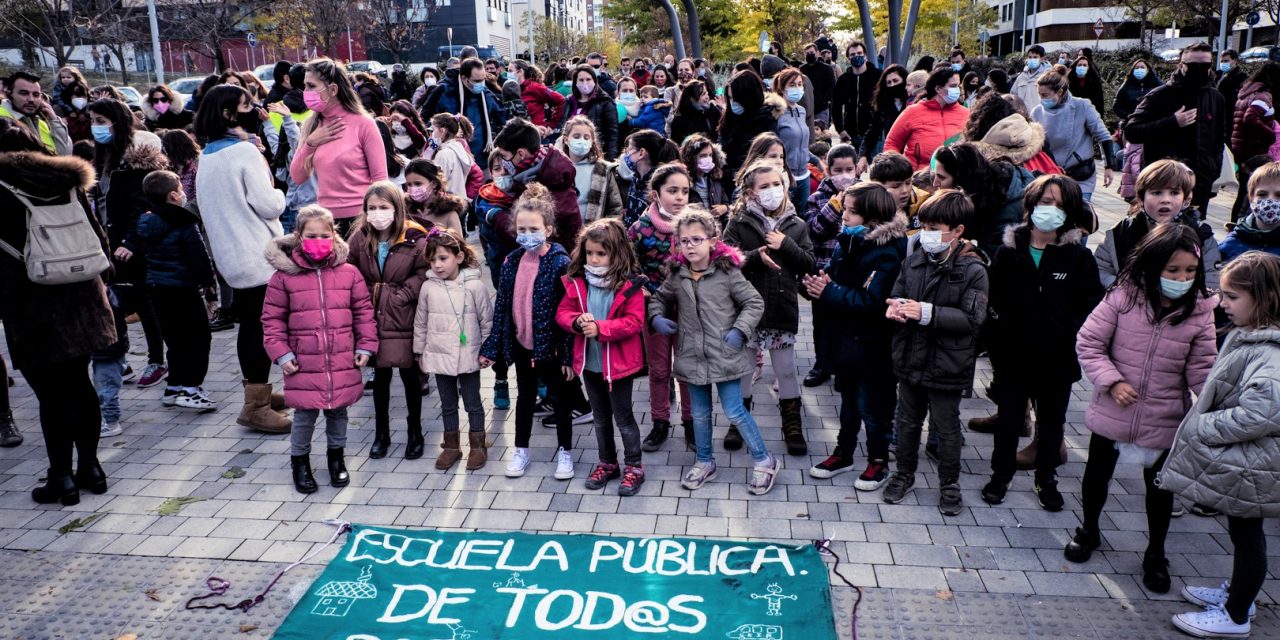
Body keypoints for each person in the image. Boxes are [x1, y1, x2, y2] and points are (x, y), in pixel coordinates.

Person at [1065, 223, 1217, 594]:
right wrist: (1111, 381)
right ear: (1151, 266)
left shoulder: (1199, 311)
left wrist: (1217, 411)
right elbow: (1089, 343)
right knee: (1098, 473)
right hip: (1112, 408)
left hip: (1165, 415)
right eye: (1173, 270)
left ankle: (1156, 553)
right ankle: (1088, 529)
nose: (1182, 278)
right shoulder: (1123, 296)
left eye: (1190, 271)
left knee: (1162, 488)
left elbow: (1203, 371)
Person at [1159, 252, 1280, 639]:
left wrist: (1203, 423)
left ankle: (1236, 614)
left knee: (1248, 536)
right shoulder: (1255, 336)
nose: (1223, 303)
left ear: (1263, 298)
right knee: (1244, 533)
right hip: (1252, 465)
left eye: (1231, 296)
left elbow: (1259, 414)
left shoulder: (1271, 352)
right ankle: (1240, 595)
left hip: (1257, 465)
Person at [0, 119, 115, 505]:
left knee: (51, 395)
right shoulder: (67, 180)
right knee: (80, 386)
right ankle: (91, 468)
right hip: (83, 296)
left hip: (30, 304)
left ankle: (61, 478)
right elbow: (99, 237)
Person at [981, 175, 1104, 510]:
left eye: (1060, 205)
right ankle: (1000, 474)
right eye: (1045, 202)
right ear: (1031, 205)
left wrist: (1067, 336)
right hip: (1012, 356)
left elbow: (1091, 306)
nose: (1050, 210)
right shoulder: (1008, 252)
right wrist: (995, 338)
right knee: (1008, 419)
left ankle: (1045, 477)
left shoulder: (1078, 258)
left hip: (1056, 359)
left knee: (1052, 423)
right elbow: (992, 299)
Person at [649, 207, 779, 494]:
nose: (690, 246)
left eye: (697, 239)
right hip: (690, 357)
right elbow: (659, 299)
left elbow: (754, 303)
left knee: (734, 410)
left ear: (712, 240)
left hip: (725, 354)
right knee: (699, 414)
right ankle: (705, 461)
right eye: (684, 241)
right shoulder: (677, 274)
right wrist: (656, 317)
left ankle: (764, 460)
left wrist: (740, 331)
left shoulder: (727, 272)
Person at [881, 190, 989, 516]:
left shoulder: (973, 270)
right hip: (911, 358)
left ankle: (949, 484)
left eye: (935, 226)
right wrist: (896, 309)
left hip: (948, 364)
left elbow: (973, 319)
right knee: (907, 422)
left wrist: (926, 313)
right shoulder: (913, 261)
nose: (926, 233)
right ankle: (903, 474)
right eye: (923, 225)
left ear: (957, 231)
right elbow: (898, 294)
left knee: (946, 427)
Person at [194, 85, 290, 433]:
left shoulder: (207, 154)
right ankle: (256, 405)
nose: (255, 107)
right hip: (256, 253)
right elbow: (268, 204)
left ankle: (259, 391)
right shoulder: (244, 153)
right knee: (261, 327)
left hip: (230, 254)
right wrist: (280, 192)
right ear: (229, 114)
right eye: (247, 104)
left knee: (251, 324)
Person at [263, 205, 377, 493]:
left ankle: (336, 459)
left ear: (334, 235)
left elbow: (363, 312)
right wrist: (282, 353)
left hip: (341, 357)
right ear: (299, 236)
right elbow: (272, 319)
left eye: (324, 235)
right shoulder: (283, 277)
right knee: (304, 414)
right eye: (311, 235)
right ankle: (299, 462)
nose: (318, 240)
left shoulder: (348, 273)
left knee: (338, 411)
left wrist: (365, 344)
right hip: (304, 360)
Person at [804, 182, 908, 488]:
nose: (844, 216)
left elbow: (872, 302)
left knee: (871, 406)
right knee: (848, 402)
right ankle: (844, 453)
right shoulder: (847, 242)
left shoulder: (887, 253)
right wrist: (818, 286)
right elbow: (839, 285)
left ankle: (878, 461)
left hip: (872, 346)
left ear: (873, 218)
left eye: (852, 211)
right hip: (845, 342)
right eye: (845, 209)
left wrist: (831, 291)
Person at [481, 184, 581, 479]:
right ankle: (521, 449)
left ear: (549, 229)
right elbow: (502, 309)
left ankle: (565, 452)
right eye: (521, 229)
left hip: (550, 349)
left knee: (561, 401)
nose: (527, 234)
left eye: (534, 228)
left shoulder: (561, 263)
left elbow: (567, 315)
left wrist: (566, 357)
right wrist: (491, 349)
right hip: (523, 347)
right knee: (524, 398)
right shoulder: (511, 261)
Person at [724, 160, 816, 455]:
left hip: (781, 308)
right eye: (765, 186)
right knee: (744, 370)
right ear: (751, 193)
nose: (773, 191)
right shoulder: (738, 222)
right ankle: (738, 421)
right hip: (747, 310)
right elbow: (725, 259)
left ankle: (791, 425)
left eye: (777, 184)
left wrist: (785, 244)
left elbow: (809, 263)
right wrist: (754, 257)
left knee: (786, 370)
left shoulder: (796, 225)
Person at [557, 218, 648, 495]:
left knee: (623, 417)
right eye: (589, 253)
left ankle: (634, 465)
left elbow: (634, 322)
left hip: (618, 366)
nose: (594, 259)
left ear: (616, 253)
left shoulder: (629, 285)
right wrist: (575, 321)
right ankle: (607, 462)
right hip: (590, 364)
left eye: (601, 253)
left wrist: (601, 328)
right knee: (599, 417)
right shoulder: (578, 282)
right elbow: (562, 313)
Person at [89, 98, 170, 390]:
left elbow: (141, 207)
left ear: (118, 122)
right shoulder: (106, 157)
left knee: (144, 302)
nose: (95, 127)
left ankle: (157, 360)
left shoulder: (135, 160)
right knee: (115, 300)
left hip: (132, 243)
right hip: (109, 240)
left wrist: (130, 241)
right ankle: (121, 360)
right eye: (93, 121)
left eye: (101, 121)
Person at [347, 181, 430, 460]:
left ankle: (414, 431)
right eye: (372, 208)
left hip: (403, 315)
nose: (377, 212)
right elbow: (351, 271)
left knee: (409, 376)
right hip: (372, 317)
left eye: (383, 207)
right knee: (380, 378)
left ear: (397, 208)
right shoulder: (360, 238)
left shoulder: (414, 238)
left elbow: (424, 271)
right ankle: (381, 432)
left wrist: (403, 294)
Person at [135, 170, 217, 411]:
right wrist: (209, 286)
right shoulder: (184, 220)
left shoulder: (146, 221)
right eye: (181, 190)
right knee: (199, 337)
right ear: (173, 195)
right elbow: (199, 257)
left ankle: (173, 386)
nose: (183, 194)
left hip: (157, 288)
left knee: (175, 339)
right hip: (183, 288)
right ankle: (191, 388)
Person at [414, 227, 493, 471]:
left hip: (468, 354)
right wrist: (420, 351)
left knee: (473, 402)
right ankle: (451, 446)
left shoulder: (475, 287)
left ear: (458, 257)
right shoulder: (428, 287)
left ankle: (477, 445)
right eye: (433, 259)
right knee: (447, 404)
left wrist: (487, 350)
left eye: (443, 258)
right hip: (439, 354)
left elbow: (486, 320)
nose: (437, 265)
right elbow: (421, 320)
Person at [630, 163, 696, 451]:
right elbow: (627, 265)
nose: (680, 197)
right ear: (656, 193)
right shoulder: (640, 228)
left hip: (690, 308)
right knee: (658, 370)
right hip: (654, 309)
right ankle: (660, 422)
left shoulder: (696, 224)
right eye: (672, 191)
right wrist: (641, 288)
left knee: (687, 369)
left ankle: (692, 423)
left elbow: (713, 258)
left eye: (684, 190)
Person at [288, 59, 388, 238]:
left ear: (333, 90)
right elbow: (297, 176)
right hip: (327, 222)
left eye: (311, 86)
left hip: (361, 220)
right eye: (305, 86)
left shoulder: (363, 124)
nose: (306, 92)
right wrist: (311, 143)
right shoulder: (311, 125)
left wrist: (378, 222)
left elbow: (381, 180)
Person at [1124, 42, 1226, 217]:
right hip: (1163, 183)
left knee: (1192, 235)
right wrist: (1172, 122)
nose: (1199, 69)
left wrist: (1212, 169)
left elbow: (1220, 138)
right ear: (1181, 65)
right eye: (1193, 65)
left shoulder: (1215, 97)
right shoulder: (1160, 95)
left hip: (1200, 183)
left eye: (1205, 65)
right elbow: (1132, 131)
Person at [1096, 159, 1222, 289]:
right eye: (1156, 192)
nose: (1165, 200)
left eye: (1174, 193)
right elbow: (1101, 268)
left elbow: (1212, 280)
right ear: (1140, 198)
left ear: (1186, 200)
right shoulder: (1121, 232)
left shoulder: (1200, 235)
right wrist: (1124, 290)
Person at [493, 118, 584, 247]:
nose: (503, 162)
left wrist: (496, 216)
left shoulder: (554, 182)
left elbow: (530, 235)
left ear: (521, 154)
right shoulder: (527, 175)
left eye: (505, 156)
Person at [1031, 65, 1114, 200]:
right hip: (1048, 174)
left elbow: (1103, 136)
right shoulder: (1036, 112)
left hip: (1079, 174)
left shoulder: (1082, 106)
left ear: (1059, 92)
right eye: (1039, 94)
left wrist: (1109, 166)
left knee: (1079, 215)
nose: (1041, 99)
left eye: (1045, 95)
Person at [884, 67, 969, 170]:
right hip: (919, 179)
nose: (958, 90)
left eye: (958, 86)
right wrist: (898, 171)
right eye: (953, 86)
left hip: (956, 178)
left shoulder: (966, 114)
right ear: (938, 89)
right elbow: (892, 143)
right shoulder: (912, 112)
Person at [423, 58, 507, 163]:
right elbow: (424, 119)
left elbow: (503, 119)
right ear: (464, 79)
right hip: (452, 158)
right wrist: (438, 134)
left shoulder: (486, 95)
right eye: (477, 81)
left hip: (482, 158)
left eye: (483, 80)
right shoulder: (443, 92)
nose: (481, 84)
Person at [1228, 63, 1280, 222]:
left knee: (1245, 189)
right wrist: (1270, 135)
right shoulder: (1263, 96)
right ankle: (1241, 224)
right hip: (1254, 149)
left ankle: (1235, 223)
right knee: (1251, 191)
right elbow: (1250, 118)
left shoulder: (1247, 92)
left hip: (1241, 147)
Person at [557, 115, 623, 222]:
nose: (581, 141)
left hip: (592, 235)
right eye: (576, 136)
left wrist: (604, 232)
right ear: (566, 139)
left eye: (586, 137)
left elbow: (615, 208)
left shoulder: (603, 170)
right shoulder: (555, 168)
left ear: (592, 142)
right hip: (560, 234)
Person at [721, 70, 782, 179]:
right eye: (730, 98)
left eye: (736, 99)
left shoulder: (765, 123)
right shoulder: (730, 117)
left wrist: (725, 173)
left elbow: (761, 164)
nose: (733, 103)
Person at [771, 68, 815, 211]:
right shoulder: (775, 113)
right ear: (782, 88)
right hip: (785, 177)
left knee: (804, 216)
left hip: (804, 175)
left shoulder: (801, 111)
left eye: (800, 84)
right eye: (792, 84)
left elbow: (803, 146)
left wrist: (818, 162)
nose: (797, 88)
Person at [618, 129, 681, 227]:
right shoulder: (636, 178)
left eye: (629, 149)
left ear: (641, 153)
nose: (626, 154)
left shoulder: (659, 183)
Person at [1, 70, 72, 155]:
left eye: (36, 94)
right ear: (10, 94)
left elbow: (64, 156)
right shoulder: (3, 120)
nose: (31, 99)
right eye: (24, 93)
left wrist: (55, 121)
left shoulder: (43, 124)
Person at [1222, 162, 1280, 262]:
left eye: (1279, 195)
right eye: (1262, 194)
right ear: (1251, 198)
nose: (1270, 200)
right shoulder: (1232, 243)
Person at [856, 64, 908, 173]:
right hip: (894, 156)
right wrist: (863, 155)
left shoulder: (913, 103)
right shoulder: (884, 106)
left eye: (895, 80)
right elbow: (872, 132)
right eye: (889, 82)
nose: (892, 85)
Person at [561, 64, 619, 160]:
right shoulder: (569, 102)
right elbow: (563, 127)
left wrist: (610, 159)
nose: (585, 83)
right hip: (570, 156)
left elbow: (612, 134)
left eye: (588, 79)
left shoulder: (605, 102)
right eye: (581, 80)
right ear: (575, 82)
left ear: (594, 81)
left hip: (596, 156)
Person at [833, 41, 882, 151]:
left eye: (859, 53)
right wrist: (840, 129)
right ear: (848, 58)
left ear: (865, 55)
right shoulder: (843, 80)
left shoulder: (878, 76)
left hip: (874, 134)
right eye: (853, 54)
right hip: (851, 134)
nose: (856, 56)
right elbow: (836, 106)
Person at [402, 159, 465, 234]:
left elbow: (458, 243)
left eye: (418, 184)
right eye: (409, 184)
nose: (413, 188)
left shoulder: (448, 212)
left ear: (433, 184)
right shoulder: (405, 211)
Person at [681, 134, 732, 223]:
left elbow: (726, 203)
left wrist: (724, 208)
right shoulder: (684, 182)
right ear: (691, 158)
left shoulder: (715, 179)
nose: (708, 159)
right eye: (703, 156)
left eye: (710, 155)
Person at [424, 112, 473, 203]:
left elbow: (438, 184)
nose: (431, 135)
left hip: (444, 203)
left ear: (442, 131)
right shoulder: (459, 149)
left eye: (433, 130)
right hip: (457, 201)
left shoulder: (443, 154)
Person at [510, 60, 564, 133]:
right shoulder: (513, 89)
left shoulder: (534, 87)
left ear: (520, 72)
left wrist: (552, 125)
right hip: (520, 134)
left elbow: (561, 100)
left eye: (510, 71)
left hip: (537, 135)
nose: (507, 74)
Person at [669, 80, 721, 144]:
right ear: (692, 99)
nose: (707, 97)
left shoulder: (713, 112)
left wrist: (724, 109)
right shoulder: (680, 120)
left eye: (707, 93)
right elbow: (676, 146)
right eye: (703, 94)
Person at [800, 42, 838, 123]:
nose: (809, 55)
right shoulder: (801, 69)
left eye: (812, 52)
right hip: (805, 108)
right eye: (807, 53)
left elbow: (832, 87)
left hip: (821, 109)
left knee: (822, 134)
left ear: (817, 53)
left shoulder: (827, 69)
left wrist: (824, 100)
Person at [1218, 49, 1249, 141]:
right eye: (1222, 61)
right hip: (1223, 116)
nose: (1223, 63)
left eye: (1226, 61)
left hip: (1231, 117)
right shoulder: (1223, 75)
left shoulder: (1241, 77)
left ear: (1234, 61)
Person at [1010, 46, 1049, 113]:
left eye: (1035, 57)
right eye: (1030, 57)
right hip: (1022, 116)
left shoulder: (1047, 76)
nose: (1032, 60)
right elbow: (1013, 94)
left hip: (1038, 116)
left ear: (1042, 59)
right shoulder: (1021, 76)